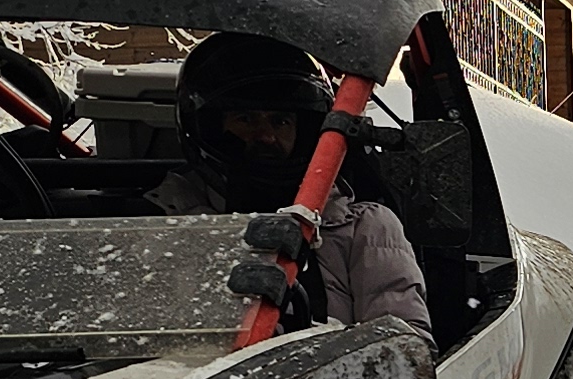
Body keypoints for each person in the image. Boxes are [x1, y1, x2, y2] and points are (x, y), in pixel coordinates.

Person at [154, 32, 432, 332]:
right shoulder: (162, 227)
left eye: (280, 121)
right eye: (246, 119)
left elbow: (403, 345)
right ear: (210, 128)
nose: (266, 136)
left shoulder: (365, 229)